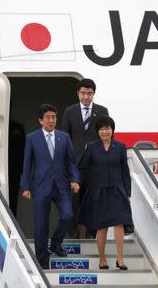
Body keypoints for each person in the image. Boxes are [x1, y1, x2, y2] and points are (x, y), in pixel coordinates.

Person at [21, 103, 80, 269]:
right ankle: (42, 259)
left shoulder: (64, 137)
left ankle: (55, 243)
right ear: (40, 120)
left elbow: (71, 163)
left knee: (68, 215)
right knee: (41, 224)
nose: (51, 120)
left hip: (61, 186)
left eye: (53, 117)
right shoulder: (32, 138)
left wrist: (75, 180)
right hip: (40, 186)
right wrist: (26, 187)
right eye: (47, 117)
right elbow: (27, 164)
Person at [77, 115, 133, 270]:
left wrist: (128, 193)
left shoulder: (120, 147)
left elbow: (124, 171)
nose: (104, 131)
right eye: (101, 129)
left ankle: (120, 259)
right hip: (98, 191)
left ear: (112, 129)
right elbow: (82, 167)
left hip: (117, 190)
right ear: (97, 131)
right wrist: (77, 182)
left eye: (107, 128)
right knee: (101, 227)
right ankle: (102, 259)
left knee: (119, 224)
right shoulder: (91, 147)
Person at [62, 78, 109, 238]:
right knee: (73, 198)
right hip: (75, 163)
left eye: (89, 93)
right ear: (78, 93)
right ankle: (73, 233)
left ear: (94, 94)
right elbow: (65, 138)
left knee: (94, 199)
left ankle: (91, 233)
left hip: (95, 164)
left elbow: (106, 136)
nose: (86, 97)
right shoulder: (70, 111)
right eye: (83, 93)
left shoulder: (102, 111)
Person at [8, 118, 25, 216]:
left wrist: (23, 174)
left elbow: (23, 152)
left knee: (13, 200)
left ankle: (12, 227)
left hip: (15, 170)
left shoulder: (18, 127)